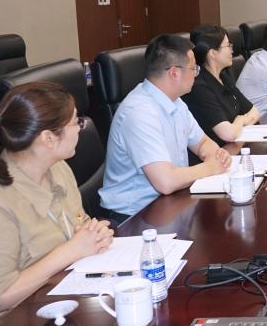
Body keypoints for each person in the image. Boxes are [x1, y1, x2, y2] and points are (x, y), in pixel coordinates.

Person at [0, 82, 114, 326]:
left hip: (51, 306)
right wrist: (71, 251)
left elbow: (78, 224)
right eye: (75, 122)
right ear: (48, 138)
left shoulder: (57, 169)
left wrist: (94, 235)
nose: (81, 127)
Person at [100, 35, 233, 218]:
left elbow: (203, 143)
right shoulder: (139, 112)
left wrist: (215, 156)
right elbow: (166, 182)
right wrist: (211, 167)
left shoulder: (176, 102)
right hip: (134, 215)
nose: (197, 74)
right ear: (174, 73)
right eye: (194, 68)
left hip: (169, 203)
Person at [182, 24, 261, 145]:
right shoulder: (199, 87)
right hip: (216, 151)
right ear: (212, 53)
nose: (232, 50)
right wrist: (240, 120)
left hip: (233, 146)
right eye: (228, 46)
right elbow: (228, 134)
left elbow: (255, 112)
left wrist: (237, 126)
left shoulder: (223, 76)